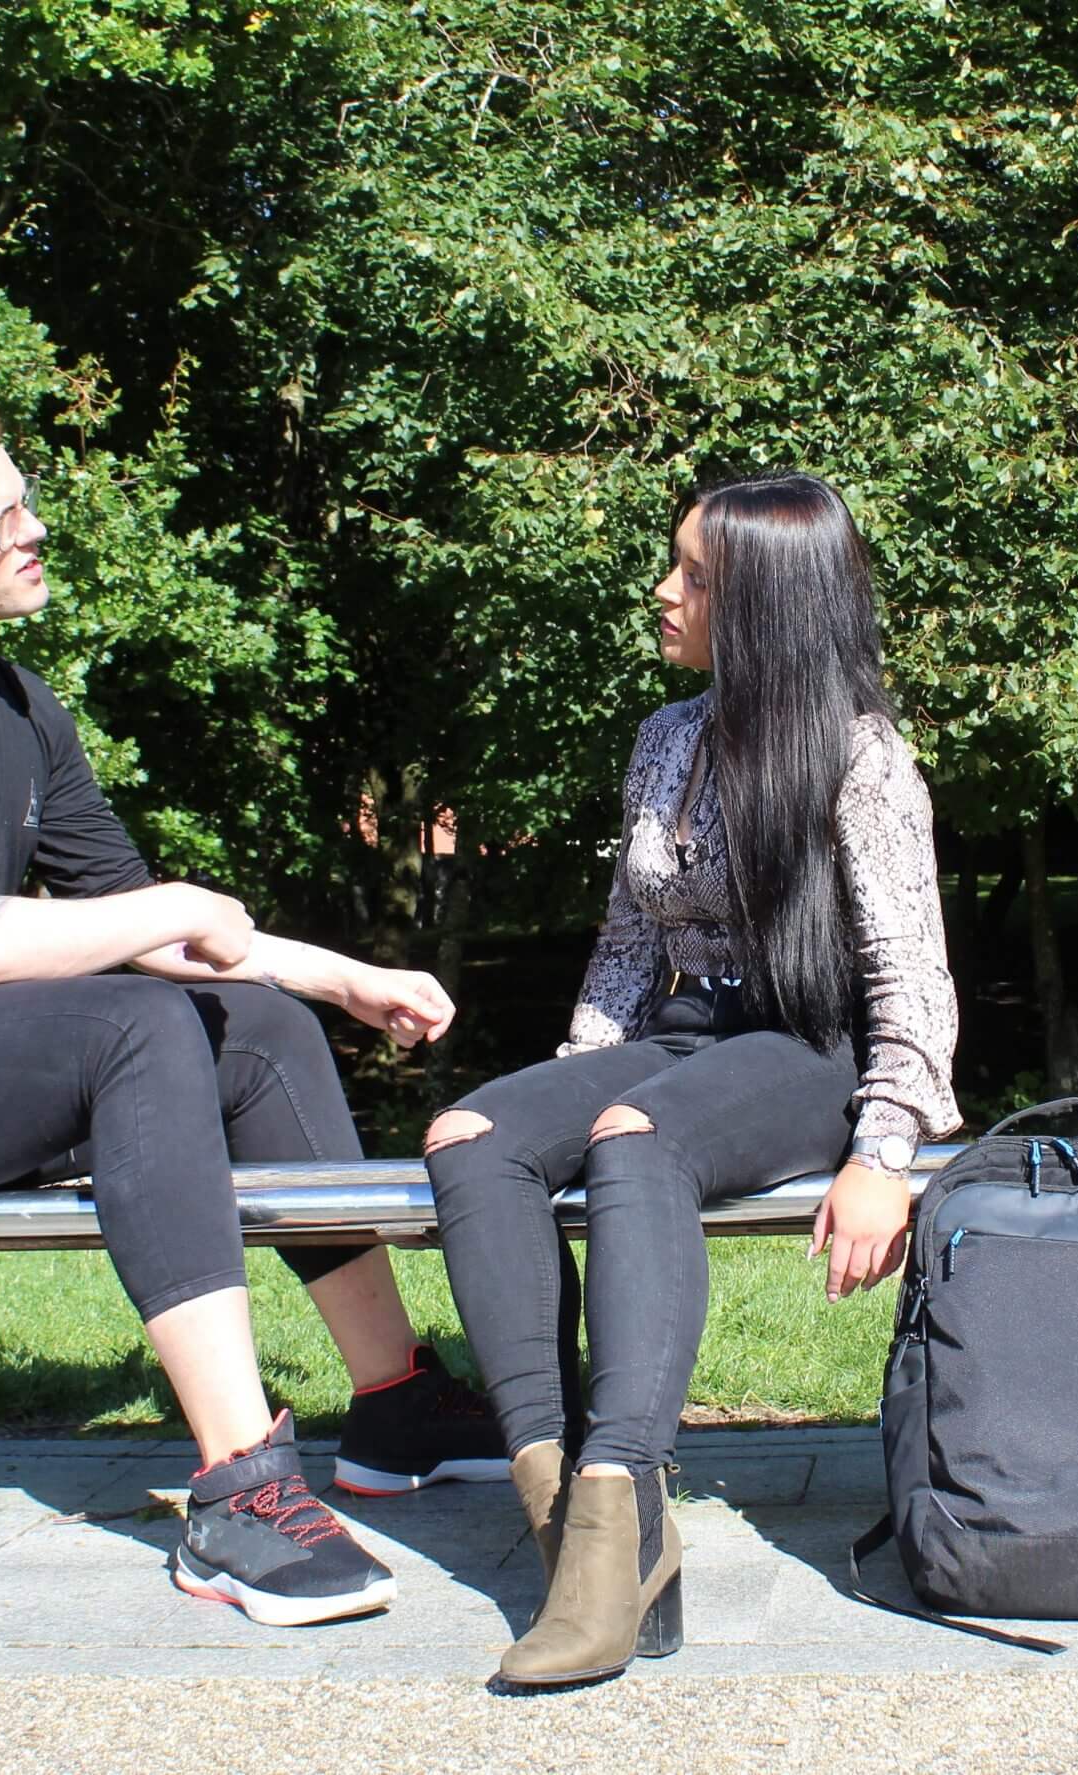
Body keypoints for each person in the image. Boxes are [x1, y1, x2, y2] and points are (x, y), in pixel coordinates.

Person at [0, 391, 507, 1629]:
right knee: (133, 1021)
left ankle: (394, 1400)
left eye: (23, 498)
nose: (33, 528)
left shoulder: (17, 701)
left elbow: (142, 916)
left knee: (255, 1020)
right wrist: (180, 902)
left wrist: (340, 977)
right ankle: (237, 1489)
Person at [422, 471, 961, 1686]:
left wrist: (884, 1155)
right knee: (468, 1132)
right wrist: (567, 1082)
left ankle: (621, 1507)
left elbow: (910, 981)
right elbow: (626, 942)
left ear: (764, 600)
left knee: (632, 1133)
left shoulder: (862, 759)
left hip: (805, 1050)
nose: (663, 594)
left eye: (693, 576)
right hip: (672, 1039)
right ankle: (572, 1514)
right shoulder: (664, 740)